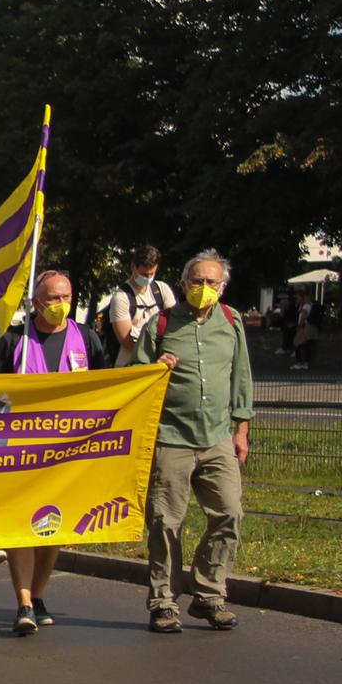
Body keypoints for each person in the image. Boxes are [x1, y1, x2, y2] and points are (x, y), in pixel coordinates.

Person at [125, 249, 252, 634]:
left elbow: (241, 375)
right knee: (165, 522)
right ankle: (163, 602)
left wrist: (241, 429)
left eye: (211, 282)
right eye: (196, 281)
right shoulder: (160, 324)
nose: (203, 288)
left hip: (217, 438)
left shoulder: (231, 322)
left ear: (223, 287)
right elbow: (135, 377)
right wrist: (153, 369)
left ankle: (208, 593)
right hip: (170, 438)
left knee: (229, 514)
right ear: (183, 284)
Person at [0, 270, 103, 635]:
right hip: (22, 451)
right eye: (53, 298)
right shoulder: (13, 341)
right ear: (35, 302)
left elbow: (108, 387)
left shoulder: (86, 339)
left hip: (69, 451)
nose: (61, 304)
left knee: (54, 525)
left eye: (66, 296)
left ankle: (38, 595)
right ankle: (23, 602)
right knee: (21, 525)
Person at [105, 246, 175, 365]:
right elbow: (127, 342)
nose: (147, 278)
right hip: (130, 366)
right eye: (143, 274)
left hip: (160, 364)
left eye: (151, 274)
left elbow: (174, 325)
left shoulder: (162, 289)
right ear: (133, 267)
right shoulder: (121, 297)